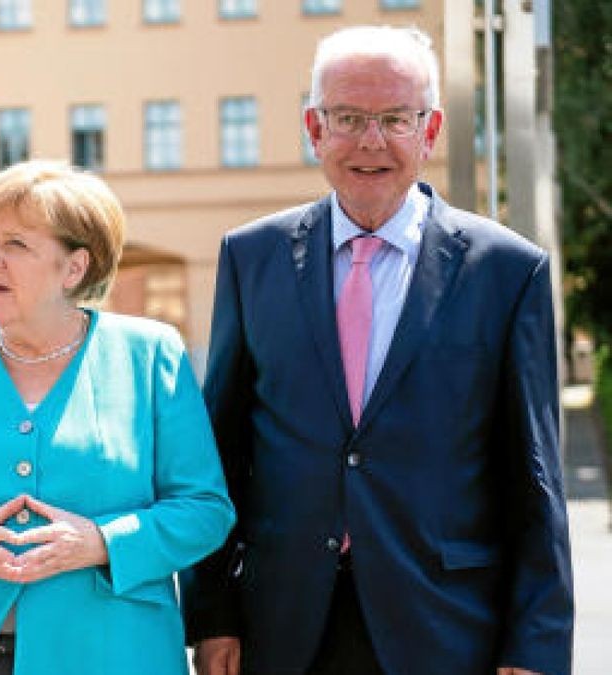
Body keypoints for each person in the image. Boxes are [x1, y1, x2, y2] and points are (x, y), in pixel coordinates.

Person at [181, 25, 573, 675]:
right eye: (349, 118)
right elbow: (219, 455)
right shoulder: (251, 259)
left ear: (431, 128)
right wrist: (214, 613)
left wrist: (535, 645)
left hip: (448, 627)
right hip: (281, 627)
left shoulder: (508, 271)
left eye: (395, 118)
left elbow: (534, 480)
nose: (371, 141)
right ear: (314, 128)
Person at [0, 160, 235, 674]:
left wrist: (102, 542)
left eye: (16, 245)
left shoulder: (149, 354)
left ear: (74, 268)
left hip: (116, 656)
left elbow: (205, 510)